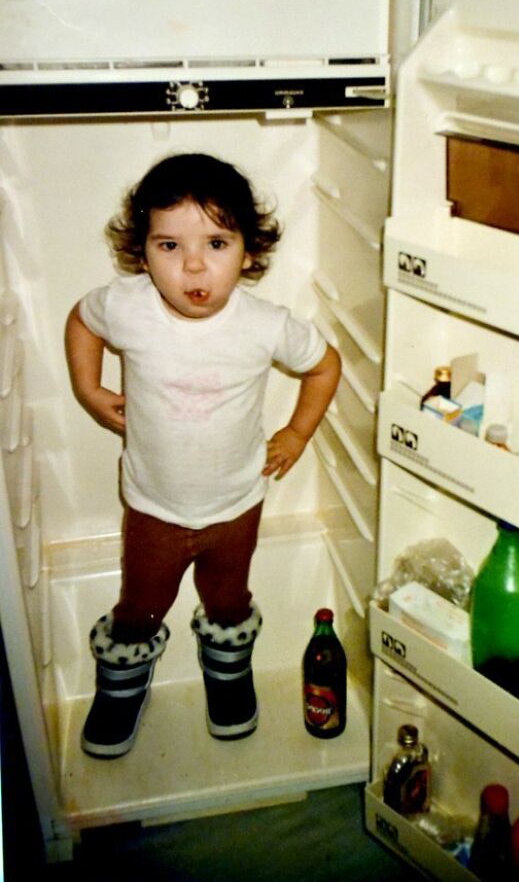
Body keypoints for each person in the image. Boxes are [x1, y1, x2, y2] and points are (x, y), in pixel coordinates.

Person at [65, 152, 341, 758]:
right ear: (143, 252)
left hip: (236, 504)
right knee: (139, 607)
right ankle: (123, 685)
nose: (193, 264)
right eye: (169, 245)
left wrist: (296, 433)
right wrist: (89, 389)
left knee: (228, 600)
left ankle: (228, 673)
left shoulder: (265, 324)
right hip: (154, 507)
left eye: (216, 242)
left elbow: (324, 365)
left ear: (248, 250)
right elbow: (82, 321)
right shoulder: (128, 305)